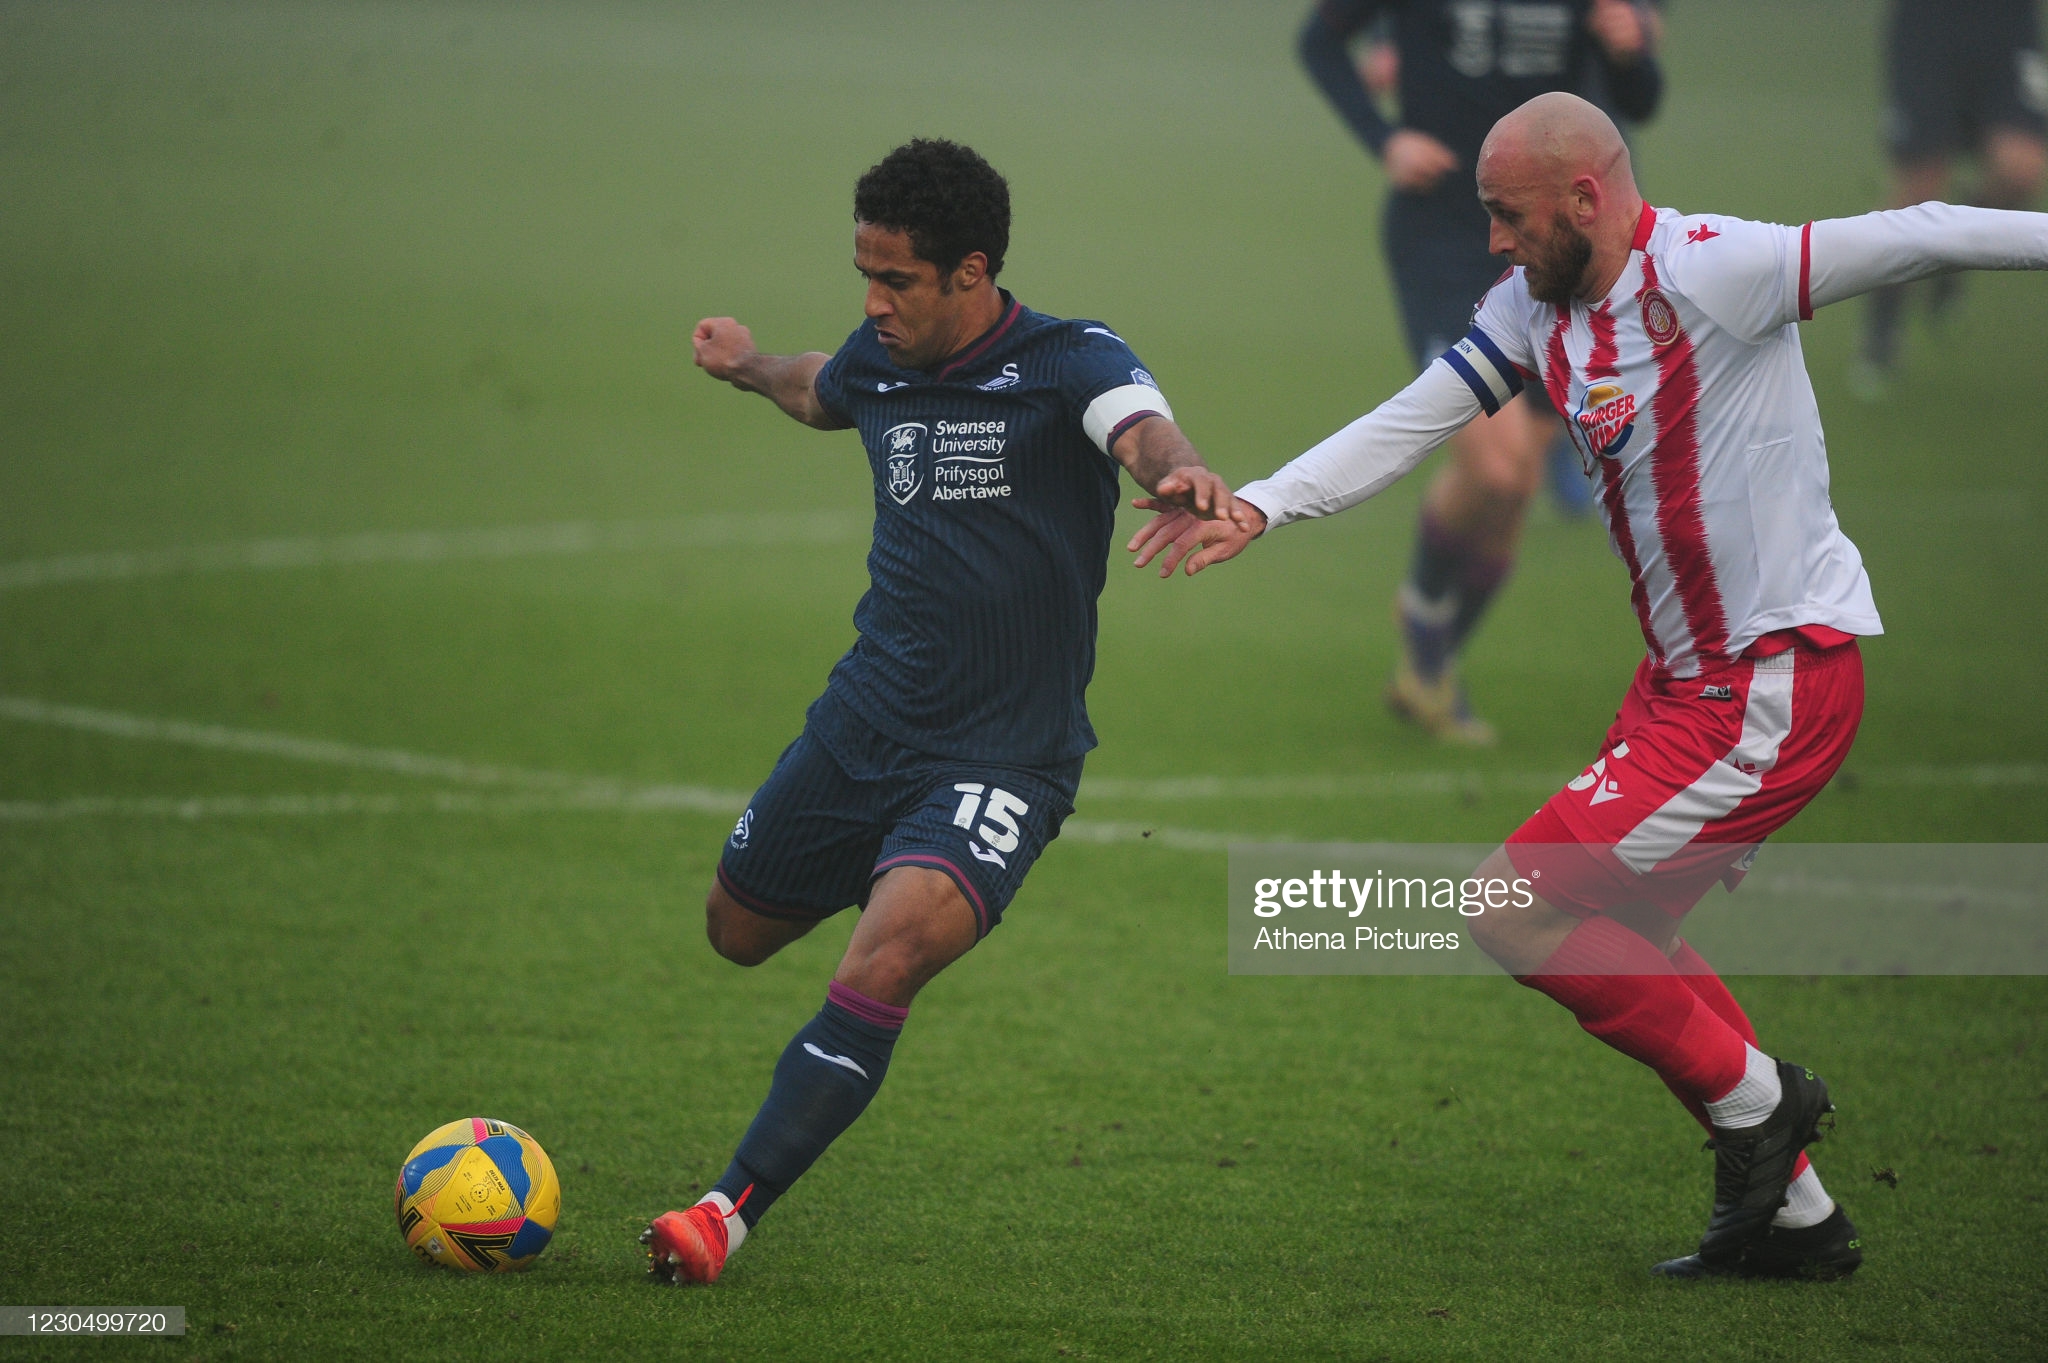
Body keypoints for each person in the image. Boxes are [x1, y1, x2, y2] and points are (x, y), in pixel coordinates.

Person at [1130, 92, 2048, 1277]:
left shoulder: (1721, 269)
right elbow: (1412, 419)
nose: (1496, 245)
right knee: (1622, 930)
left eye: (1508, 218)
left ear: (1584, 197)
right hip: (1678, 686)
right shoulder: (1532, 307)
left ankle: (1762, 1102)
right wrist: (1263, 500)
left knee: (1511, 908)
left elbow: (1919, 229)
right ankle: (1799, 1220)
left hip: (1767, 685)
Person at [643, 138, 1244, 1285]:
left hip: (1002, 757)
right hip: (863, 723)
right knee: (735, 931)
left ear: (972, 273)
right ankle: (875, 860)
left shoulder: (1069, 359)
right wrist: (744, 362)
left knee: (883, 959)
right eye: (863, 274)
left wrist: (1180, 468)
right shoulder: (877, 360)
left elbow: (1138, 424)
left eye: (898, 280)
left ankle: (724, 1211)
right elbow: (817, 389)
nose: (874, 303)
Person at [1299, 0, 1663, 743]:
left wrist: (1629, 52)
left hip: (1557, 240)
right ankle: (1424, 624)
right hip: (1442, 229)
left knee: (1519, 484)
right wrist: (1386, 138)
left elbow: (1639, 103)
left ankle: (1428, 663)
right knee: (1495, 470)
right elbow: (1320, 38)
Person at [1859, 0, 2047, 393]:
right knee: (1920, 188)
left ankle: (1957, 249)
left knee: (2020, 169)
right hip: (1931, 23)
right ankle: (1884, 320)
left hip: (2007, 24)